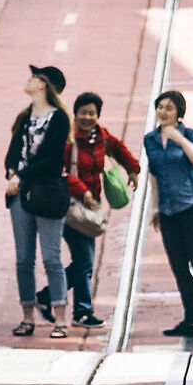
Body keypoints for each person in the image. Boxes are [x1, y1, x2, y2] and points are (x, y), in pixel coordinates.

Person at [142, 88, 193, 338]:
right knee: (178, 265)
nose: (163, 112)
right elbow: (153, 174)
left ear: (179, 113)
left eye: (169, 108)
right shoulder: (150, 139)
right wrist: (154, 207)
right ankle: (191, 319)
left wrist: (179, 139)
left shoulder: (190, 134)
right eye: (160, 107)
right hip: (168, 211)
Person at [4, 64, 74, 338]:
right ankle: (27, 316)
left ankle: (60, 319)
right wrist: (11, 171)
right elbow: (11, 153)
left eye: (35, 77)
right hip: (19, 193)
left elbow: (52, 160)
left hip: (46, 192)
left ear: (44, 84)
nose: (29, 80)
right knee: (23, 259)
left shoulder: (58, 119)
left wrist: (20, 175)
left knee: (51, 258)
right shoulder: (25, 116)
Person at [64, 92, 135, 327]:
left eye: (92, 113)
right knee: (84, 261)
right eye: (83, 112)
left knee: (84, 261)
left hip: (91, 207)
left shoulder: (100, 135)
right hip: (70, 207)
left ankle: (47, 296)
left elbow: (119, 148)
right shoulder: (67, 139)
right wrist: (81, 190)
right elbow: (58, 172)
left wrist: (133, 169)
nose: (87, 117)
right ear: (75, 114)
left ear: (98, 116)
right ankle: (81, 312)